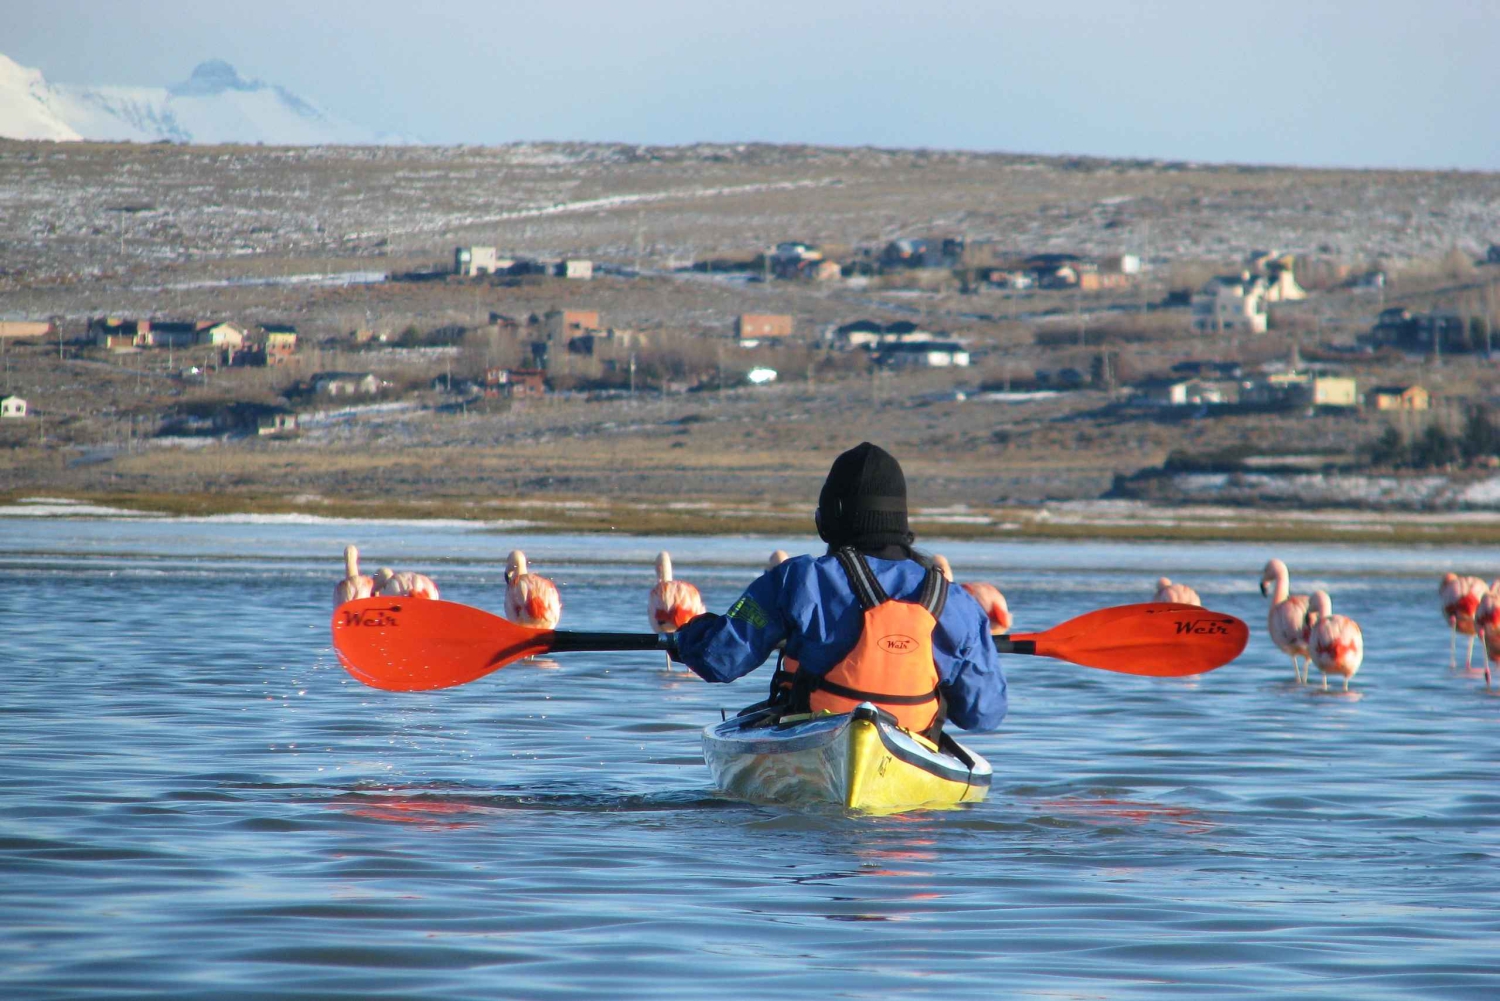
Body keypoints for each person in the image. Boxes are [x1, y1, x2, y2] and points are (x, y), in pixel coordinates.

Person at [673, 442, 1007, 737]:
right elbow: (983, 715)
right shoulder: (957, 602)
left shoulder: (796, 580)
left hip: (811, 740)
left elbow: (718, 659)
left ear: (828, 519)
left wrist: (687, 636)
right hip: (909, 755)